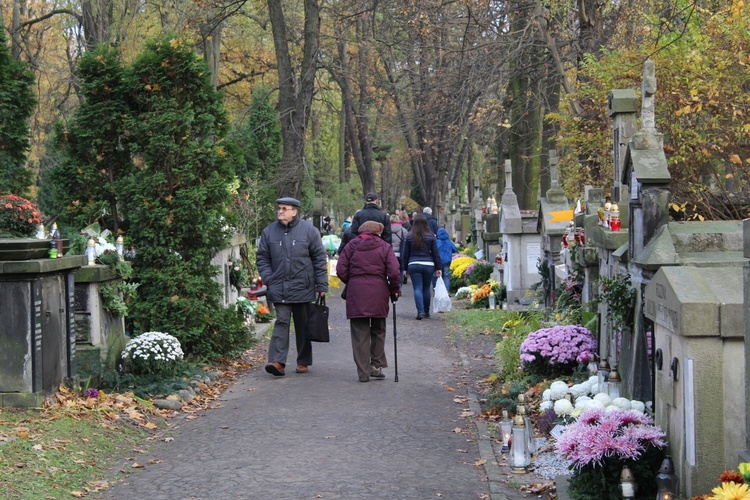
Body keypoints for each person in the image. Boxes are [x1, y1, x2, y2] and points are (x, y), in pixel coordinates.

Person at [256, 197, 328, 377]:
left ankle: (303, 361)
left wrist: (321, 284)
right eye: (279, 208)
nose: (280, 211)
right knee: (281, 322)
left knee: (303, 325)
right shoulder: (269, 232)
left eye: (284, 208)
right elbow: (262, 257)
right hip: (278, 286)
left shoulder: (309, 231)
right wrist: (268, 278)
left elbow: (319, 259)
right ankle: (277, 362)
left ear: (294, 211)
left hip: (302, 286)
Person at [336, 221, 400, 382]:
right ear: (378, 232)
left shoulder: (351, 245)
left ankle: (363, 372)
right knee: (379, 330)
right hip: (379, 291)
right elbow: (393, 272)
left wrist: (352, 281)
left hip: (356, 292)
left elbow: (340, 269)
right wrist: (394, 290)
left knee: (359, 333)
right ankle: (376, 365)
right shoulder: (385, 247)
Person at [402, 214, 442, 320]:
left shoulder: (409, 236)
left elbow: (405, 254)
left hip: (413, 264)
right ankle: (426, 311)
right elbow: (435, 253)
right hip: (428, 264)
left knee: (417, 288)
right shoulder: (431, 236)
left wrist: (405, 268)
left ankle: (420, 312)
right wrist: (439, 268)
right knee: (426, 288)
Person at [389, 214, 408, 287]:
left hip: (390, 253)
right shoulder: (403, 230)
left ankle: (391, 286)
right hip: (400, 253)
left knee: (390, 270)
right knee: (400, 270)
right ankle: (399, 287)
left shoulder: (387, 230)